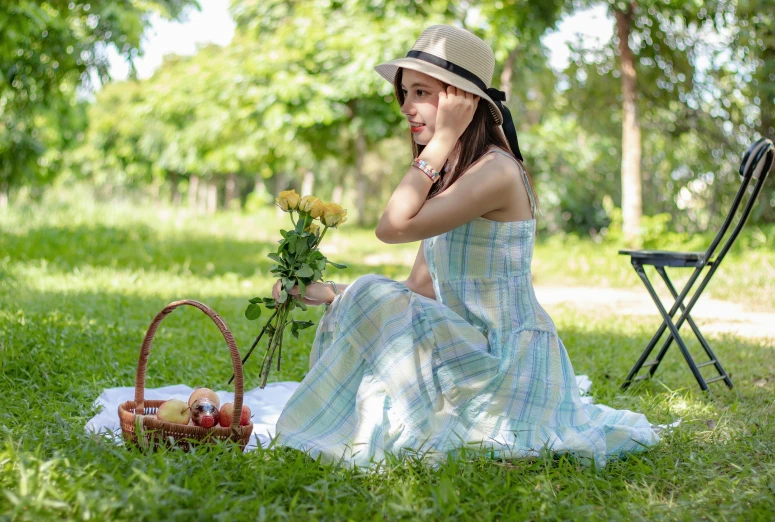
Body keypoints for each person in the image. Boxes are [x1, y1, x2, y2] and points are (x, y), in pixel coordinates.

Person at [271, 24, 660, 468]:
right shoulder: (455, 175)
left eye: (421, 93)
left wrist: (438, 143)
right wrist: (333, 295)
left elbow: (391, 226)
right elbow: (418, 290)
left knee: (373, 290)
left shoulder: (495, 172)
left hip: (505, 360)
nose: (406, 108)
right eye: (404, 93)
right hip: (466, 350)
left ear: (461, 100)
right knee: (373, 294)